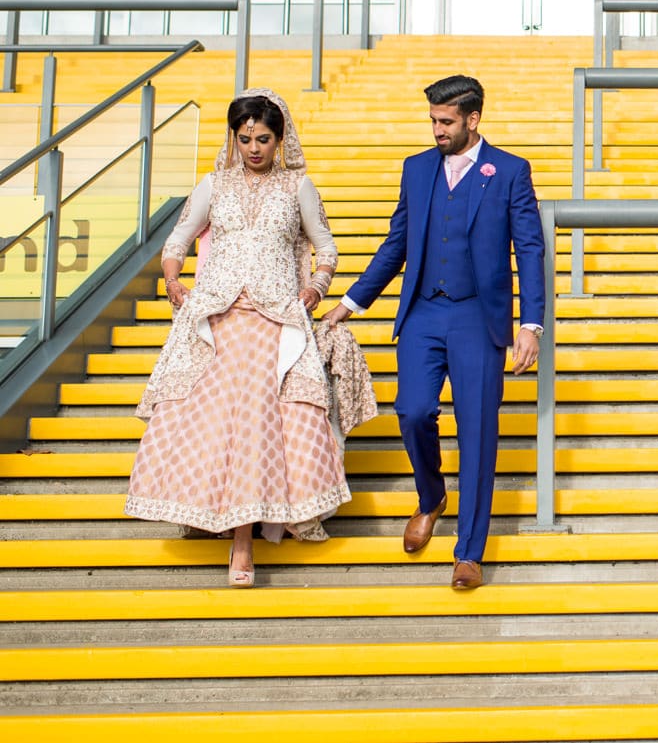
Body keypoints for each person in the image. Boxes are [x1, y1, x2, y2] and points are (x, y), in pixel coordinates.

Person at [324, 74, 545, 591]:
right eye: (432, 121)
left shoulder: (510, 171)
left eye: (445, 122)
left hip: (478, 317)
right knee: (412, 410)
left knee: (477, 433)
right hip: (423, 311)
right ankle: (431, 498)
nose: (436, 130)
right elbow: (395, 242)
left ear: (473, 119)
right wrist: (351, 303)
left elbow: (529, 249)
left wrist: (530, 324)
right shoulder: (417, 168)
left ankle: (469, 552)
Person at [126, 89, 350, 588]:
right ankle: (210, 515)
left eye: (264, 139)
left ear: (280, 138)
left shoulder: (298, 187)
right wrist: (173, 280)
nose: (254, 148)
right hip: (214, 320)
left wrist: (315, 289)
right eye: (245, 138)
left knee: (253, 422)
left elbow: (326, 247)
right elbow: (177, 240)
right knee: (211, 423)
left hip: (273, 324)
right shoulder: (215, 184)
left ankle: (243, 544)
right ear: (234, 137)